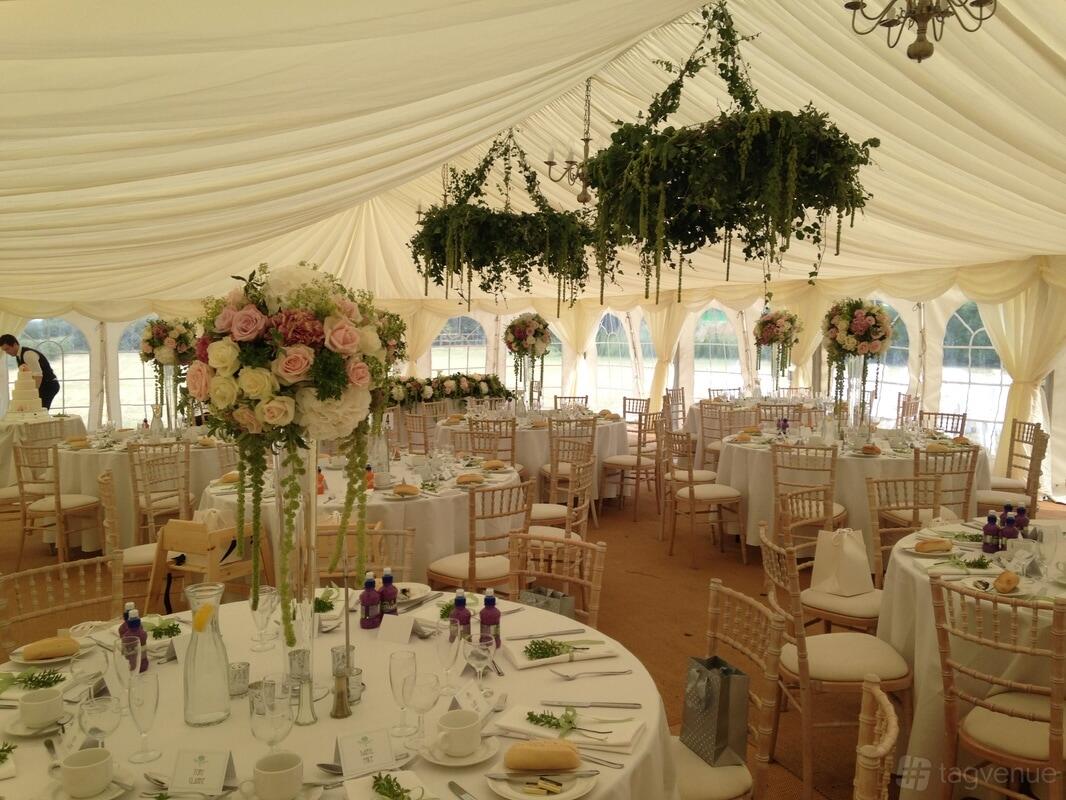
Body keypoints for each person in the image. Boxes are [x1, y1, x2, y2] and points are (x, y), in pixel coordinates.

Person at [0, 334, 61, 409]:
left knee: (38, 413)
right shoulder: (18, 356)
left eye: (7, 349)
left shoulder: (27, 354)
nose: (6, 352)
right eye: (4, 350)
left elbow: (38, 376)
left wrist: (32, 395)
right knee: (35, 413)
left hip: (48, 385)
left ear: (15, 344)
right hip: (42, 385)